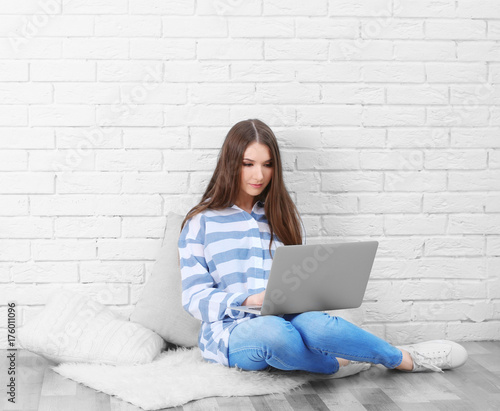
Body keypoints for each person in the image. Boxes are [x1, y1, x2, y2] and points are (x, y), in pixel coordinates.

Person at [177, 119, 468, 376]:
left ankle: (402, 358)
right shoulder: (201, 222)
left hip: (287, 319)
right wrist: (252, 300)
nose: (259, 175)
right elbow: (193, 298)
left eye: (268, 164)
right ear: (230, 163)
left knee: (319, 326)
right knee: (275, 333)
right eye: (248, 164)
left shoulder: (281, 216)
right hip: (232, 333)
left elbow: (298, 282)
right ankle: (341, 363)